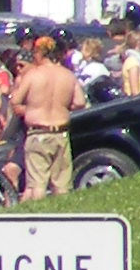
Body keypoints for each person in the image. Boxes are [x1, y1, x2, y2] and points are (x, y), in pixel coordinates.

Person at [10, 34, 84, 198]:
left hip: (38, 133)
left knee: (37, 184)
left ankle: (39, 218)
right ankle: (64, 218)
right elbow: (80, 102)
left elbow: (15, 101)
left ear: (39, 53)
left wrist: (31, 109)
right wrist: (61, 106)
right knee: (62, 185)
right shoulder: (68, 75)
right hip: (61, 133)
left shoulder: (33, 75)